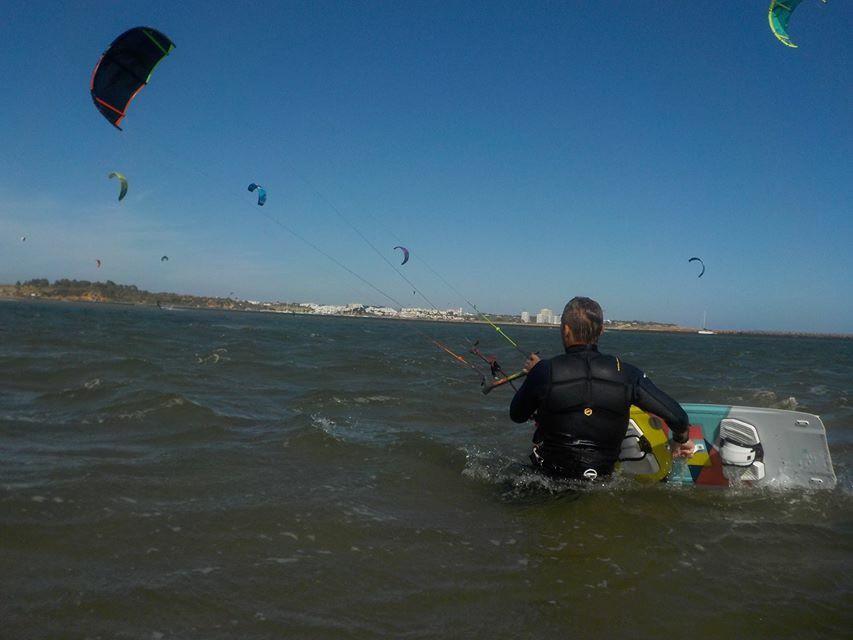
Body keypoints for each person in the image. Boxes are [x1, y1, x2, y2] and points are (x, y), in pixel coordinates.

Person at [510, 296, 695, 481]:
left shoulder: (545, 371)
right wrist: (680, 440)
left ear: (565, 330)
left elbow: (517, 415)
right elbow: (678, 418)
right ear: (601, 331)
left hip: (549, 478)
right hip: (601, 480)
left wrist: (535, 375)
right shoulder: (627, 374)